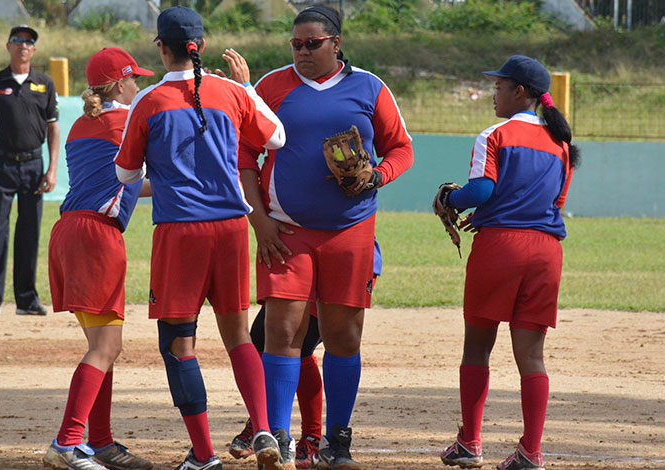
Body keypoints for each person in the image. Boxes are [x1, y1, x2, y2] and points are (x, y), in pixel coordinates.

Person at [237, 5, 413, 469]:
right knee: (281, 329)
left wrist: (378, 175)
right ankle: (277, 438)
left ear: (335, 43)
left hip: (350, 230)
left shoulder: (369, 87)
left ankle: (338, 442)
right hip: (286, 231)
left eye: (312, 43)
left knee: (343, 335)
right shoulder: (271, 87)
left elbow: (401, 148)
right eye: (295, 44)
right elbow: (243, 157)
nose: (302, 52)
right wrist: (259, 219)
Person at [114, 7, 287, 470]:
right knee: (238, 336)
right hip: (231, 229)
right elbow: (277, 139)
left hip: (179, 233)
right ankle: (265, 428)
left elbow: (126, 172)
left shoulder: (147, 102)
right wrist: (247, 88)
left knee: (178, 343)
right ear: (202, 47)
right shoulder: (231, 92)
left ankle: (205, 455)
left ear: (162, 48)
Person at [438, 55, 580, 470]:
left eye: (499, 86)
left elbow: (481, 190)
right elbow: (557, 203)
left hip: (501, 249)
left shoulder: (494, 133)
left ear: (520, 92)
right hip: (546, 252)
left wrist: (450, 198)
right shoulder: (562, 144)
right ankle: (531, 452)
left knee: (477, 348)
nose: (493, 93)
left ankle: (470, 443)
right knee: (532, 356)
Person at [41, 48, 154, 470]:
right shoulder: (125, 121)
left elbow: (123, 183)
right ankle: (68, 442)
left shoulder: (82, 124)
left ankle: (101, 441)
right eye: (134, 79)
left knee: (102, 346)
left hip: (71, 230)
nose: (139, 85)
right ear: (118, 84)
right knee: (106, 347)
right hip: (96, 237)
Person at [229, 241, 383, 469]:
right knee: (261, 338)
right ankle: (263, 420)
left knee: (301, 344)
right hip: (300, 249)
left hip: (339, 254)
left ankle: (311, 438)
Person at [0, 24, 59, 317]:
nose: (23, 45)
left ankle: (26, 299)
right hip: (1, 164)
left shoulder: (44, 84)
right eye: (17, 40)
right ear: (8, 46)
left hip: (34, 165)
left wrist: (52, 169)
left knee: (29, 231)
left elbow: (53, 128)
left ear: (34, 50)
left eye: (28, 42)